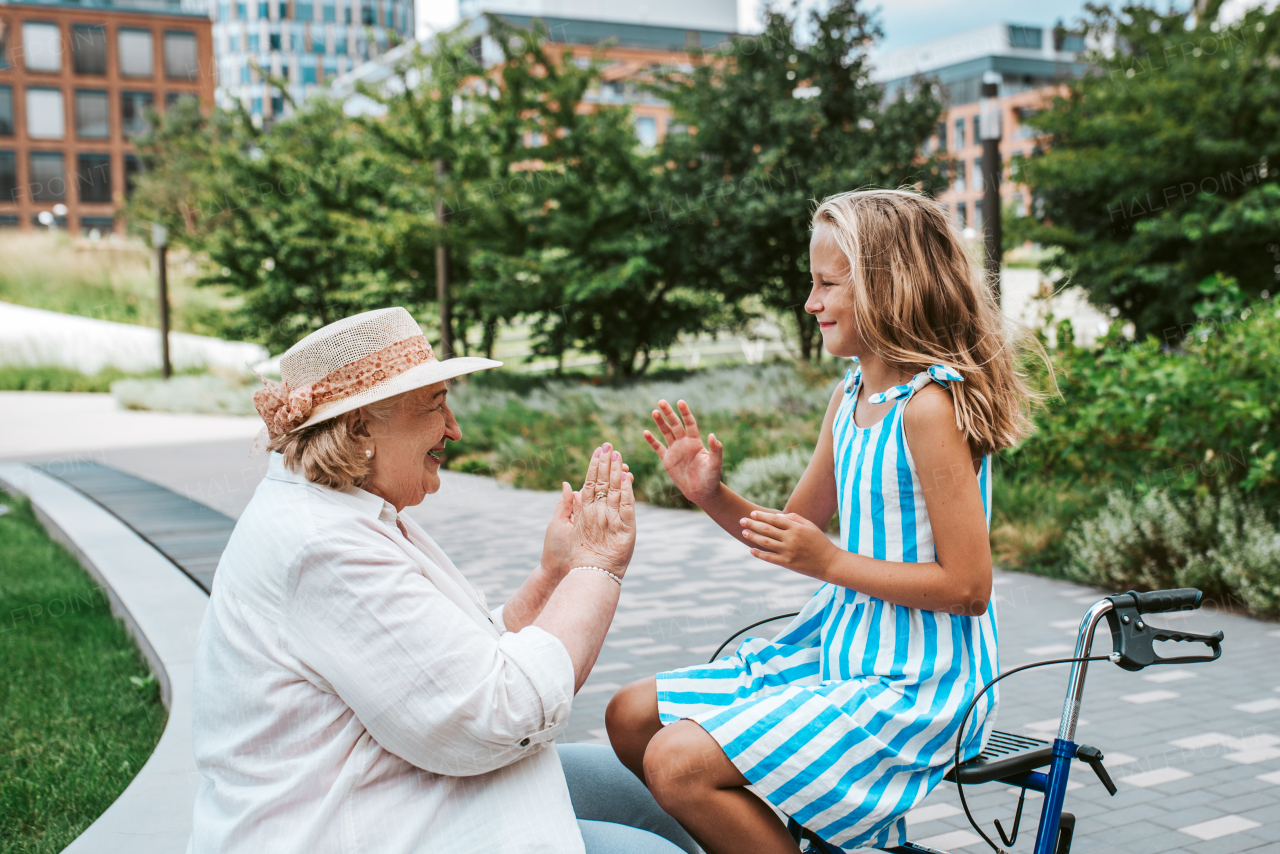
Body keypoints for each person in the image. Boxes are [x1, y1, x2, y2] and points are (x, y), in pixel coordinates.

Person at [606, 189, 1049, 853]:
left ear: (885, 288)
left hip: (921, 684)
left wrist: (831, 563)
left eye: (825, 285)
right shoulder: (850, 396)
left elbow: (969, 587)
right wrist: (712, 494)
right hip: (839, 650)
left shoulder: (928, 409)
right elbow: (790, 535)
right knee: (629, 716)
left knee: (677, 762)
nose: (810, 303)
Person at [187, 307, 697, 854]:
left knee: (642, 789)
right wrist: (598, 565)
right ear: (360, 428)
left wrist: (555, 574)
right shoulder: (322, 547)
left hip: (401, 784)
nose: (454, 429)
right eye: (435, 406)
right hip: (350, 824)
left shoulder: (342, 511)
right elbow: (498, 714)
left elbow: (454, 658)